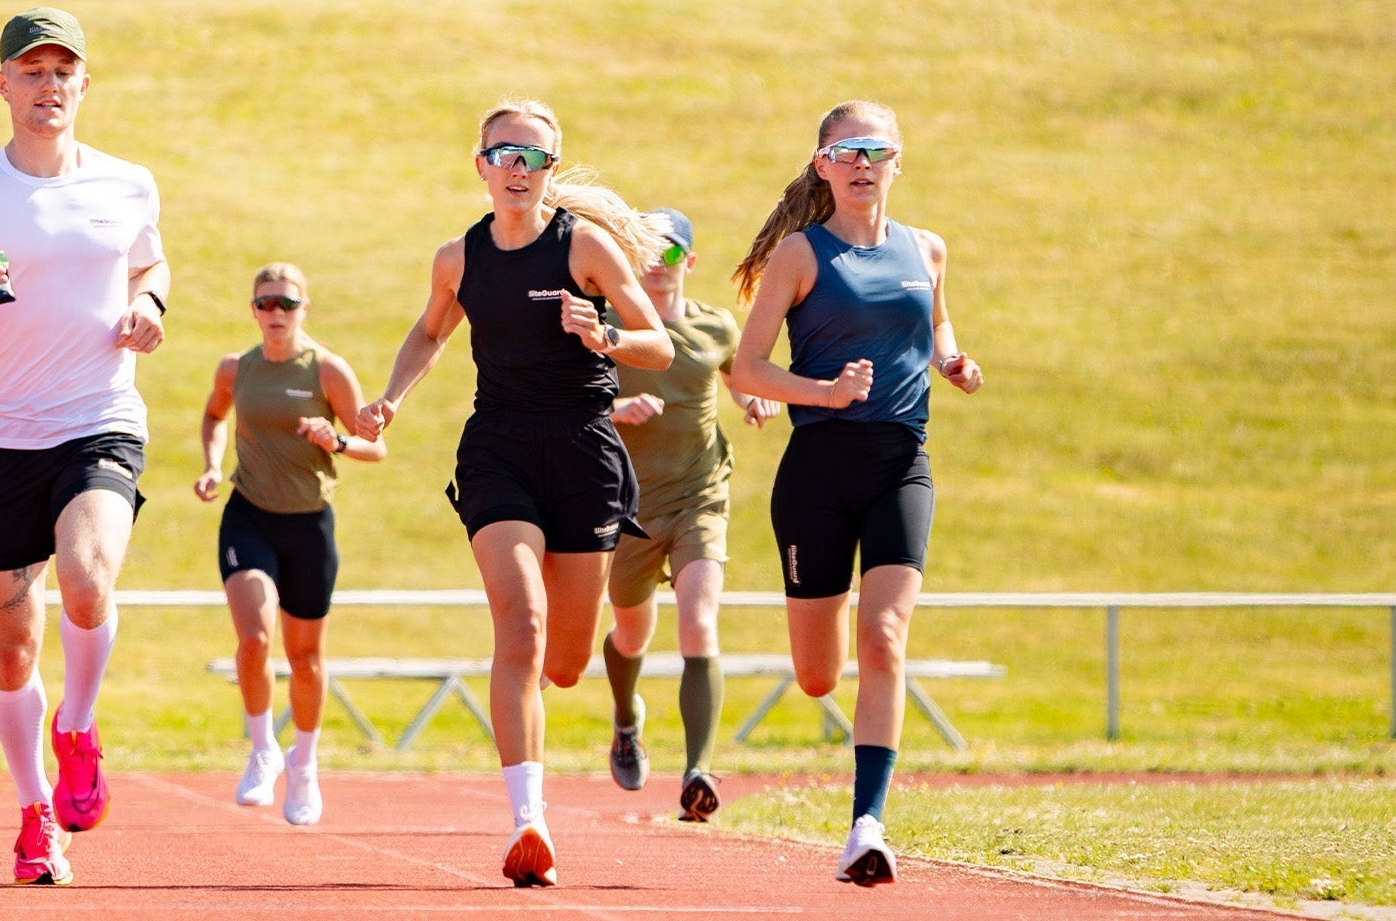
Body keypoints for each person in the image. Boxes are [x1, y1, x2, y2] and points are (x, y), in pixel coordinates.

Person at [354, 100, 674, 889]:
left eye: (534, 158)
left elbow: (659, 344)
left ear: (552, 170)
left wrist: (602, 335)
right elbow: (431, 331)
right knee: (520, 624)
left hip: (583, 450)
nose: (519, 169)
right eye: (505, 155)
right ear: (481, 166)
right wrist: (392, 395)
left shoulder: (585, 247)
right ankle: (529, 820)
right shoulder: (458, 259)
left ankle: (593, 708)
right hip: (498, 448)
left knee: (563, 664)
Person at [0, 6, 168, 887]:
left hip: (100, 416)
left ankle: (79, 725)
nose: (48, 86)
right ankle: (34, 812)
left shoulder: (128, 183)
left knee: (89, 580)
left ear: (84, 84)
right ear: (3, 84)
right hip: (0, 435)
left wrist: (151, 307)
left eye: (64, 72)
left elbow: (148, 264)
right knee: (10, 645)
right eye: (32, 71)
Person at [724, 101, 984, 888]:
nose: (863, 163)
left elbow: (937, 323)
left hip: (901, 461)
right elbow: (748, 370)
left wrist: (952, 360)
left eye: (877, 150)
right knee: (816, 673)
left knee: (885, 638)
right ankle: (825, 652)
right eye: (848, 151)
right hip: (817, 468)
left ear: (898, 160)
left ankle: (866, 824)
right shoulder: (801, 257)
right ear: (822, 165)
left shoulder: (927, 249)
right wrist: (824, 393)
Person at [594, 208, 778, 822]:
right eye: (643, 250)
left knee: (698, 624)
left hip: (700, 495)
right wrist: (616, 409)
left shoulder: (714, 326)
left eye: (669, 252)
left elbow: (734, 374)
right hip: (626, 506)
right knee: (631, 633)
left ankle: (699, 768)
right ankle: (626, 720)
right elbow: (567, 401)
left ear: (689, 262)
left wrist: (752, 402)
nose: (655, 262)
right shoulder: (605, 328)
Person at [190, 262, 383, 827]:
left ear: (304, 310)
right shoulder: (237, 368)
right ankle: (261, 750)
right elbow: (212, 414)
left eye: (287, 304)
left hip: (309, 525)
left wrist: (339, 440)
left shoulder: (327, 370)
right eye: (266, 303)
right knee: (253, 637)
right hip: (248, 516)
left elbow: (377, 447)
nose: (276, 314)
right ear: (252, 310)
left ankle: (304, 762)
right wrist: (210, 464)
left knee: (305, 658)